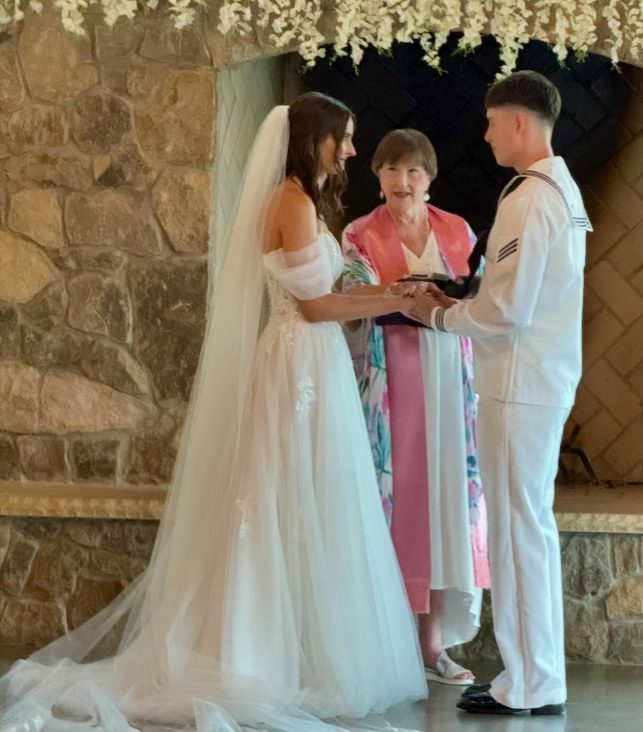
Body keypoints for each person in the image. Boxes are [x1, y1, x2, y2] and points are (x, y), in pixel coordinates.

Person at [0, 92, 427, 731]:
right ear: (313, 138)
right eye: (343, 137)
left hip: (314, 363)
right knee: (282, 495)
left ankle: (301, 648)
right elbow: (313, 307)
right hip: (297, 362)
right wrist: (394, 301)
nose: (351, 149)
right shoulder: (291, 203)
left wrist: (389, 292)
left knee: (311, 495)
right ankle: (258, 653)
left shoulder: (303, 200)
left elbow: (325, 291)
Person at [410, 71, 592, 715]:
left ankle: (529, 684)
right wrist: (466, 295)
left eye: (491, 124)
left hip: (518, 384)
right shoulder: (563, 188)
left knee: (517, 534)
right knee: (529, 528)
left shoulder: (528, 196)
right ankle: (537, 676)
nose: (485, 136)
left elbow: (508, 309)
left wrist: (437, 316)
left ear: (519, 122)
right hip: (543, 378)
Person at [340, 129, 490, 687]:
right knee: (398, 501)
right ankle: (384, 641)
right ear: (377, 176)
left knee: (445, 501)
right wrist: (396, 297)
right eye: (391, 170)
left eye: (414, 171)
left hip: (451, 373)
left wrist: (457, 294)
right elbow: (349, 299)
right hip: (390, 376)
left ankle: (433, 645)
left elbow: (481, 293)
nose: (403, 182)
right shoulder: (358, 233)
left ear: (430, 178)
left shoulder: (458, 229)